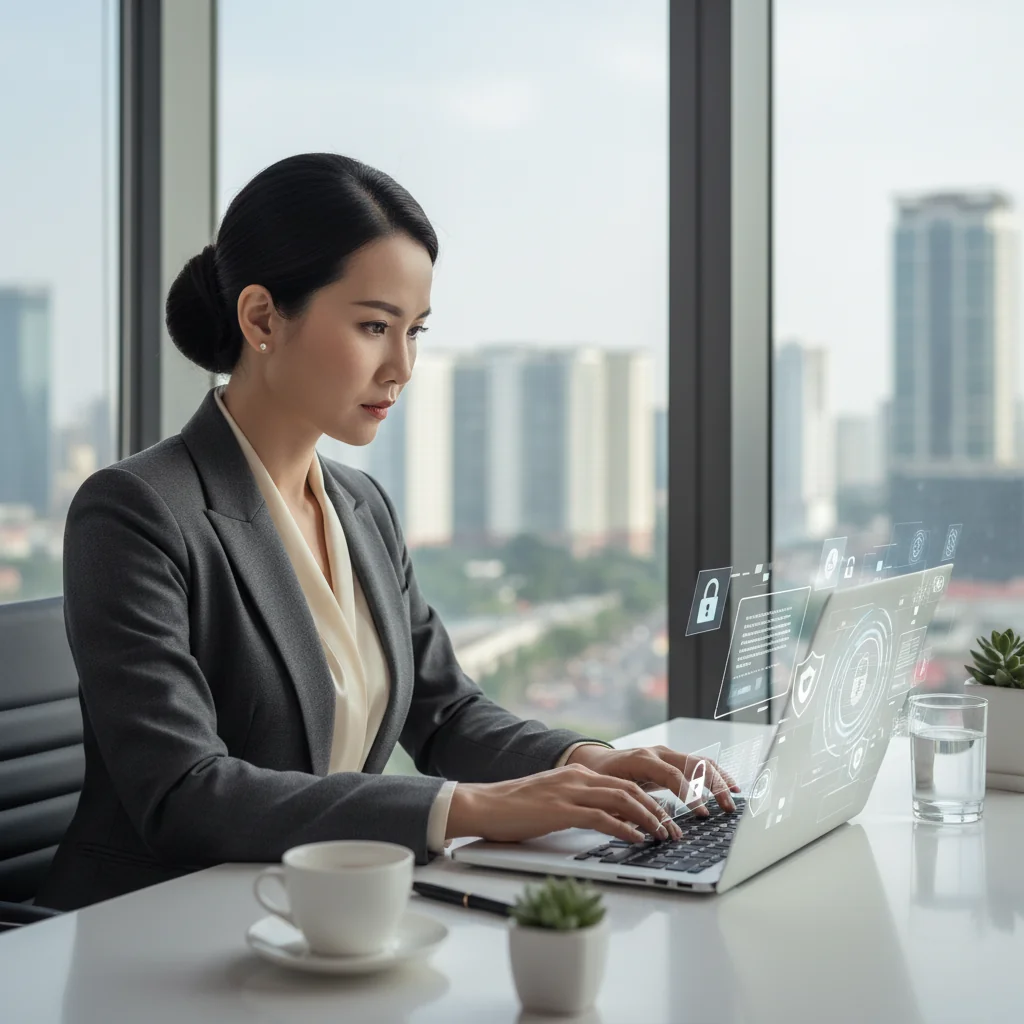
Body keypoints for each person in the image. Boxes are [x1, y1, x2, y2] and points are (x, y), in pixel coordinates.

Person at [37, 153, 737, 911]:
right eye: (374, 326)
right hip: (158, 927)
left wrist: (589, 761)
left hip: (329, 916)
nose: (401, 366)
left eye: (415, 331)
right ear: (263, 318)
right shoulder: (136, 511)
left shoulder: (360, 506)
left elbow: (444, 712)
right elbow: (185, 792)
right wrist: (466, 810)